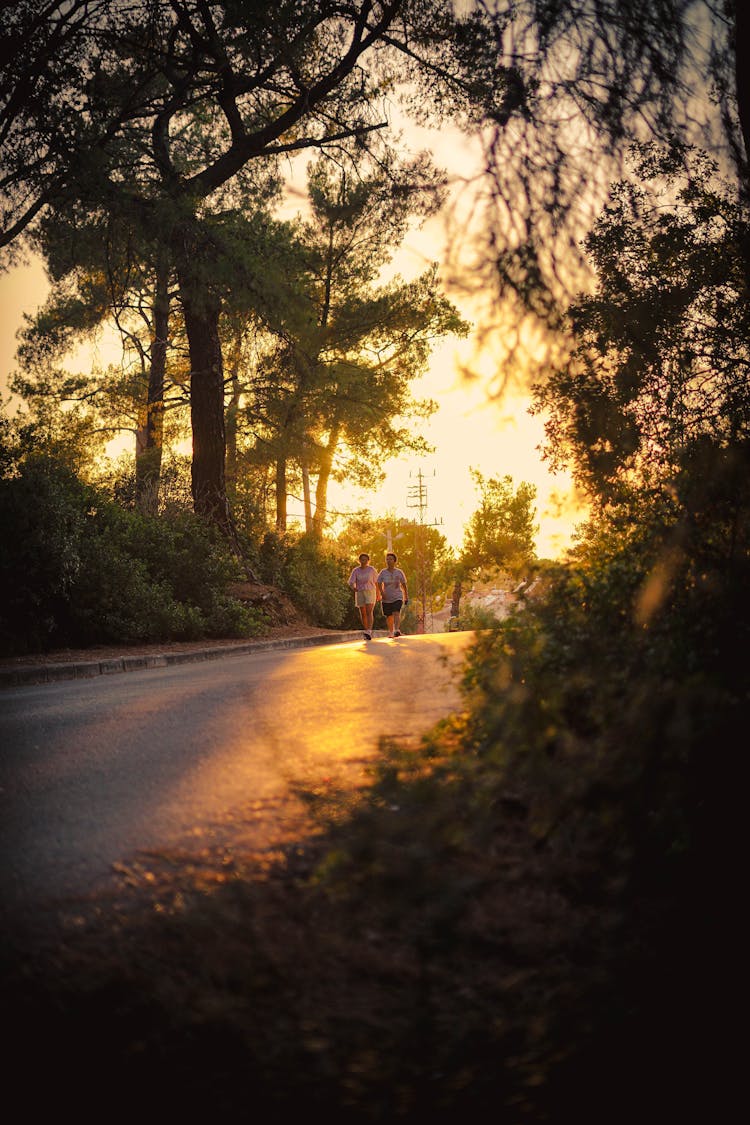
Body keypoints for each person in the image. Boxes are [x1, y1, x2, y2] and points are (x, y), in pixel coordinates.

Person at [347, 552, 380, 640]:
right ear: (359, 560)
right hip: (360, 592)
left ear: (368, 561)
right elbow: (351, 582)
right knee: (363, 612)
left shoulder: (372, 570)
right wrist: (354, 588)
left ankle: (369, 630)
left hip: (370, 591)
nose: (363, 561)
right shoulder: (356, 570)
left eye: (365, 559)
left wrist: (378, 594)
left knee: (369, 611)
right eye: (362, 559)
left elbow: (377, 582)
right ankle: (366, 631)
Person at [376, 552, 409, 638]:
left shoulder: (399, 572)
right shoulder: (383, 572)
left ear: (394, 561)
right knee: (389, 616)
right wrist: (381, 593)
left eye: (390, 559)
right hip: (386, 597)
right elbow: (378, 583)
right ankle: (391, 631)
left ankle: (397, 630)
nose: (388, 561)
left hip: (397, 596)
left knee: (396, 612)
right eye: (387, 559)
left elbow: (404, 585)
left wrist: (406, 596)